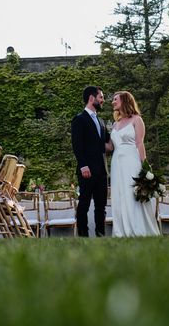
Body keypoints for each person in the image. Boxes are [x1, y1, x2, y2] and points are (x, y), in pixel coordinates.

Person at [109, 91, 160, 237]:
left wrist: (144, 166)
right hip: (116, 162)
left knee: (132, 193)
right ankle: (121, 231)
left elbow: (139, 143)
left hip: (131, 160)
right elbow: (110, 147)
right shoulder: (115, 123)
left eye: (115, 100)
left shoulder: (137, 120)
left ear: (125, 101)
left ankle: (138, 229)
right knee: (119, 194)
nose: (112, 102)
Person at [71, 85, 111, 237]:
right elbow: (77, 145)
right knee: (84, 204)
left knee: (101, 206)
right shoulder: (79, 119)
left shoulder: (101, 121)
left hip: (102, 170)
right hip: (87, 169)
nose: (103, 100)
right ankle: (83, 236)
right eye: (101, 97)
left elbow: (107, 142)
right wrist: (83, 165)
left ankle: (100, 234)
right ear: (91, 98)